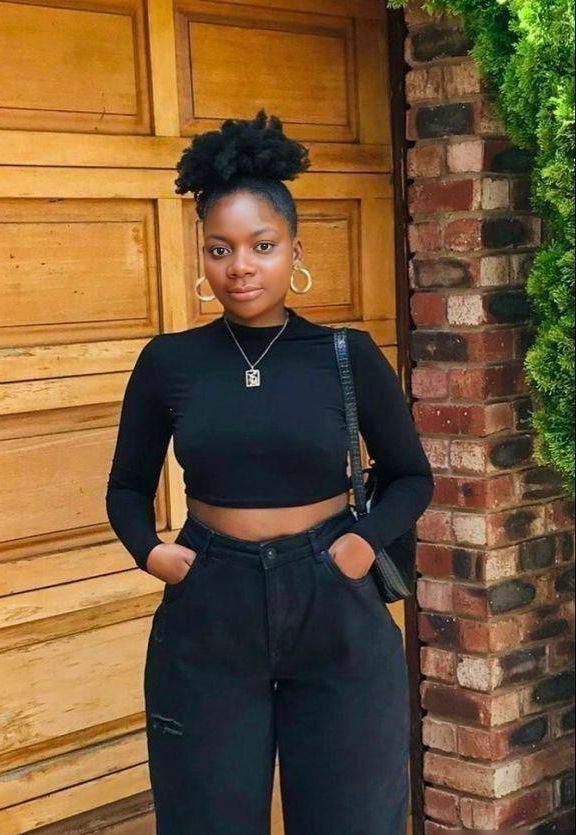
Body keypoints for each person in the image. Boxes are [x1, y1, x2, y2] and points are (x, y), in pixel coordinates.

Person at [105, 109, 434, 835]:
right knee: (206, 817)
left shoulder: (347, 353)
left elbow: (412, 474)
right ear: (203, 256)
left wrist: (360, 543)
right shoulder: (169, 362)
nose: (241, 267)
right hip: (210, 602)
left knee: (353, 818)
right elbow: (125, 485)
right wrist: (152, 553)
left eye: (262, 245)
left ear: (293, 250)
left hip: (333, 594)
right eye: (220, 249)